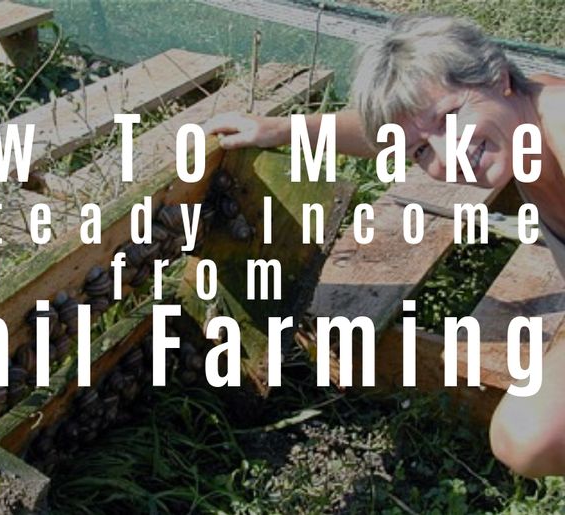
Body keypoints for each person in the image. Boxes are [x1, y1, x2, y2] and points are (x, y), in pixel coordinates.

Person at [204, 15, 565, 478]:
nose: (448, 150)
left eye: (451, 118)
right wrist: (278, 130)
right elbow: (383, 132)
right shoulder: (521, 113)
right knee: (521, 435)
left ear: (497, 77)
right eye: (421, 151)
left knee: (532, 434)